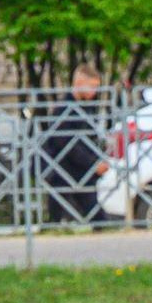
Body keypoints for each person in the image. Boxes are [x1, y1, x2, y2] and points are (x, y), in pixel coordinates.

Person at [34, 68, 111, 225]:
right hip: (63, 169)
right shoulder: (64, 109)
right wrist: (93, 164)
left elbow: (87, 140)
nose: (95, 92)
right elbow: (66, 143)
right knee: (61, 210)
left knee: (93, 213)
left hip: (77, 169)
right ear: (79, 83)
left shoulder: (83, 107)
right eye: (92, 87)